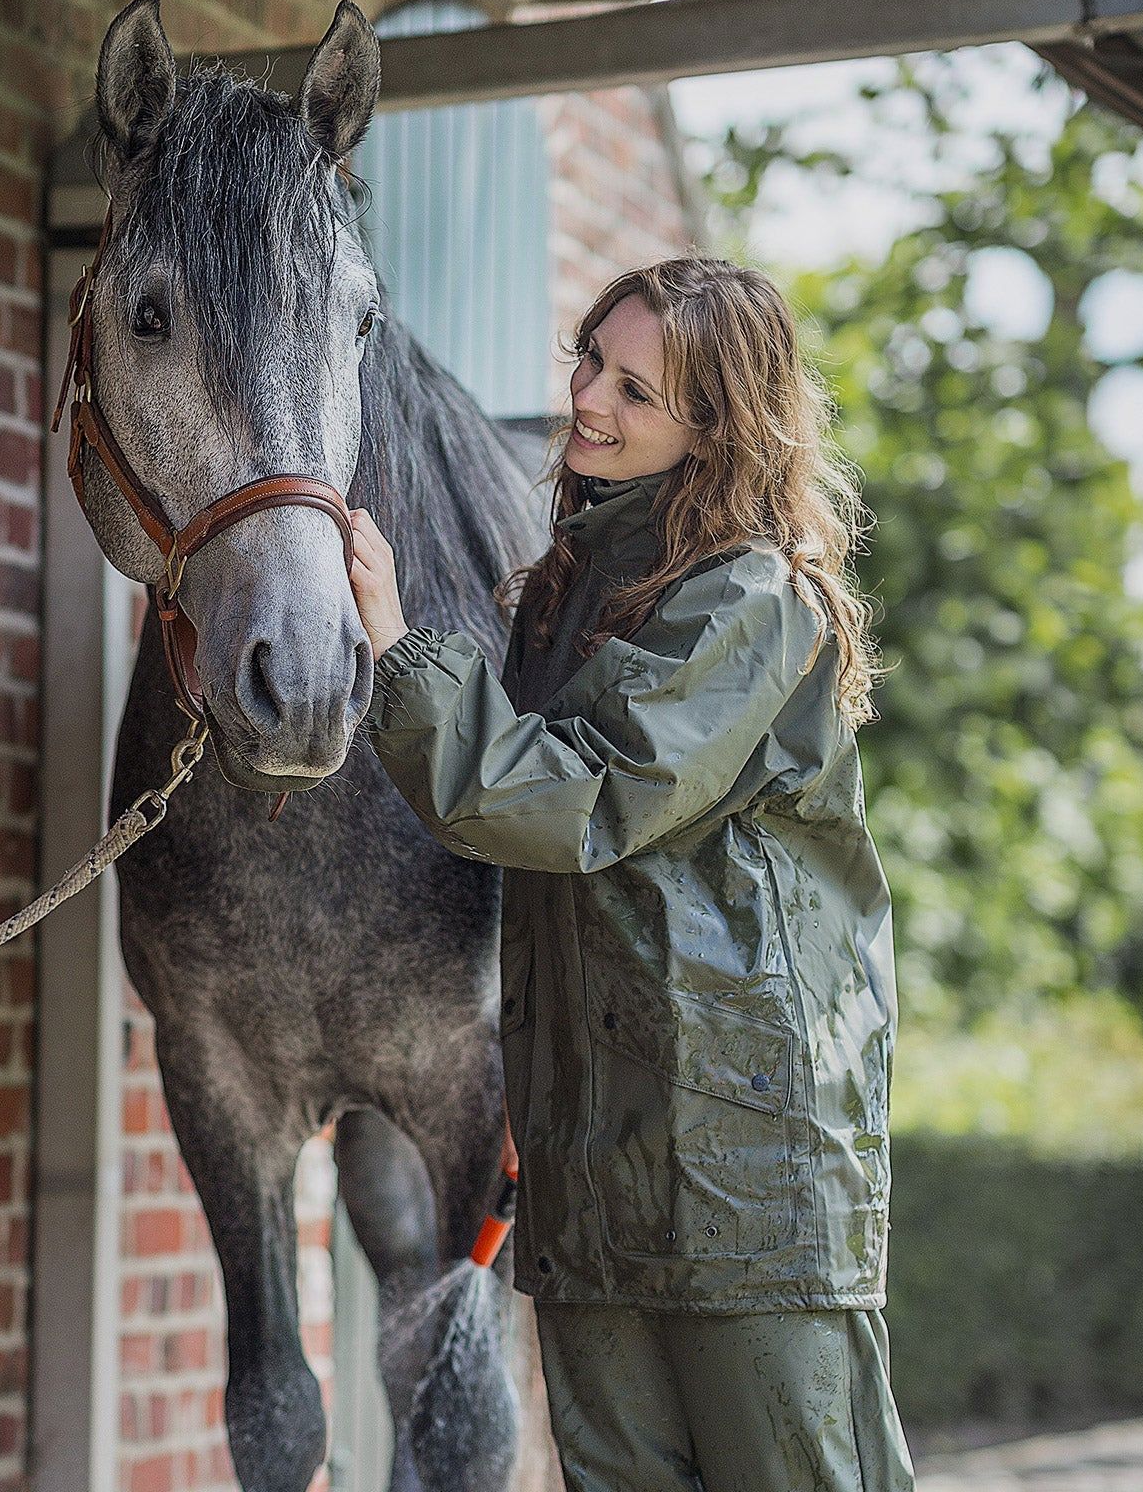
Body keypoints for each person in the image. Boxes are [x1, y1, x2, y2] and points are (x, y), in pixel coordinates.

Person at [347, 259, 916, 1492]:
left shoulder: (752, 599)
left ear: (716, 426)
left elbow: (574, 801)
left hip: (745, 1167)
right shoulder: (567, 592)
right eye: (587, 359)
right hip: (591, 1165)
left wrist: (396, 647)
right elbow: (554, 891)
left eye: (633, 386)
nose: (587, 398)